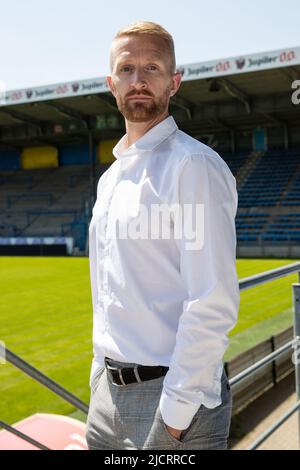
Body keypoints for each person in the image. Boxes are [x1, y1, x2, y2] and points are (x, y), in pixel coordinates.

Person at [85, 21, 239, 450]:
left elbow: (212, 301)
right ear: (110, 83)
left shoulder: (192, 167)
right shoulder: (111, 178)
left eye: (152, 68)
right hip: (106, 396)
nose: (138, 79)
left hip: (172, 402)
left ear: (174, 82)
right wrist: (100, 373)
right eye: (127, 68)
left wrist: (173, 421)